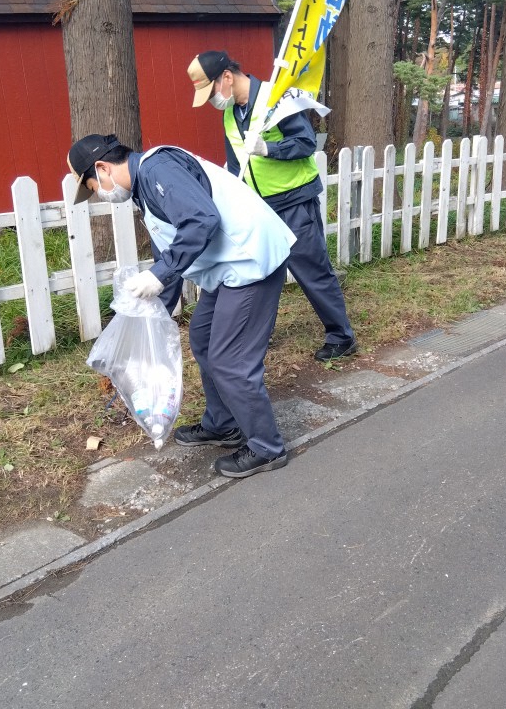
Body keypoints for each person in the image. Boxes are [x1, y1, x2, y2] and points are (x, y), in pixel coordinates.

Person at [68, 134, 295, 478]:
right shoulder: (144, 188)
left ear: (102, 168)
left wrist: (159, 275)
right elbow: (168, 256)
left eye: (93, 186)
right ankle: (223, 424)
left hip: (251, 261)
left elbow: (201, 219)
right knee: (202, 339)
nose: (100, 194)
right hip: (226, 269)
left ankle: (267, 448)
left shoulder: (158, 169)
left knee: (230, 359)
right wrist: (148, 313)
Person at [187, 50, 358, 362]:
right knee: (260, 274)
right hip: (259, 206)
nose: (212, 101)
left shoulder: (275, 98)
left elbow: (306, 142)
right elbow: (236, 166)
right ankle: (256, 337)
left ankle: (341, 336)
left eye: (211, 92)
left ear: (227, 77)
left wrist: (269, 148)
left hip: (294, 200)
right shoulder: (230, 114)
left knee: (312, 270)